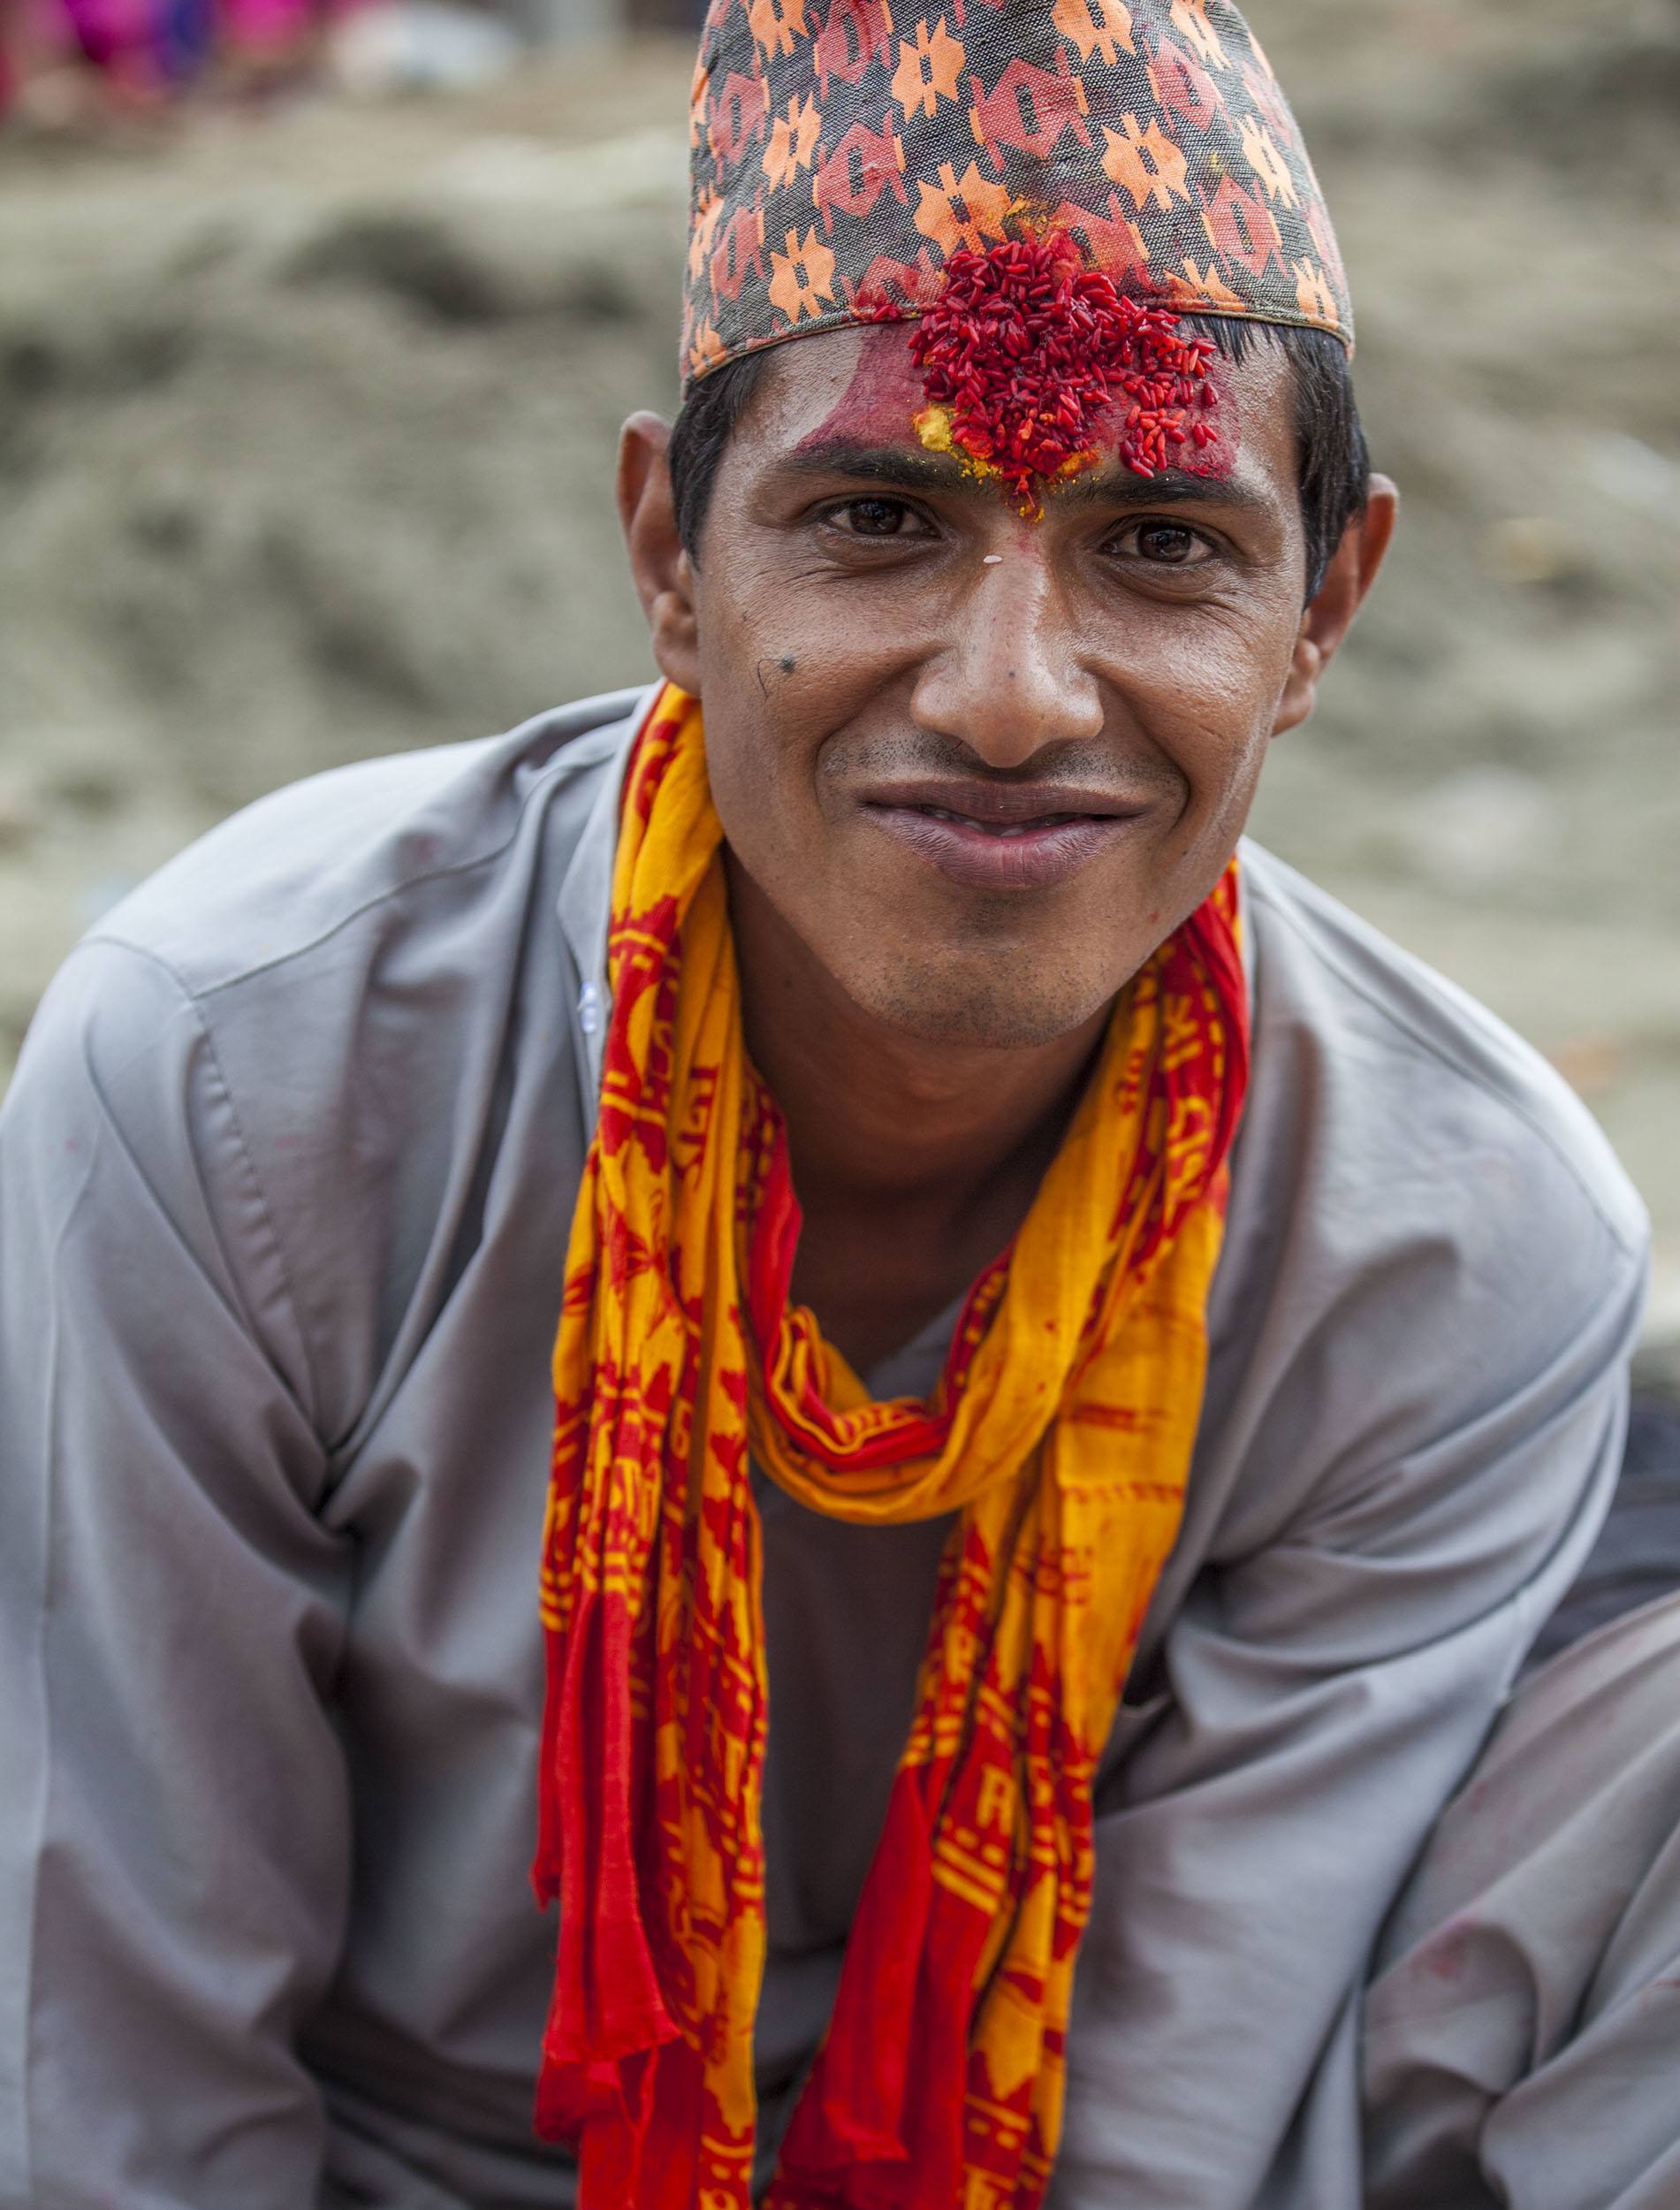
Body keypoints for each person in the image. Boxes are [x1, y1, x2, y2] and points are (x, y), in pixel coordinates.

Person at [1, 2, 1675, 2206]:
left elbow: (1170, 2120)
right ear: (672, 561)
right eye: (879, 517)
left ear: (1324, 607)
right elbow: (117, 2067)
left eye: (1163, 543)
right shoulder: (241, 1072)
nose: (1008, 695)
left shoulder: (1465, 1234)